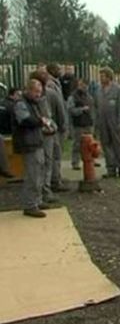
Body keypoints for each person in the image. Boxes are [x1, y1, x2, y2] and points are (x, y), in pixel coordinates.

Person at [12, 79, 52, 218]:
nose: (38, 95)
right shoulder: (21, 103)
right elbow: (24, 120)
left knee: (39, 173)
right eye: (36, 92)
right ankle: (30, 205)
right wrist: (41, 122)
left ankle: (37, 200)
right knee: (32, 175)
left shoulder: (34, 104)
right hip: (28, 143)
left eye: (40, 92)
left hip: (36, 142)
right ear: (28, 90)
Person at [30, 70, 65, 203]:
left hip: (47, 132)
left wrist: (59, 127)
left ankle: (47, 187)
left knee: (48, 161)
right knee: (44, 162)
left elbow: (60, 111)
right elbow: (54, 114)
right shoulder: (44, 96)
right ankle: (44, 190)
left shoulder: (48, 94)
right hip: (43, 133)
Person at [95, 67, 120, 178]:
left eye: (103, 76)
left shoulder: (118, 90)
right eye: (100, 76)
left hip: (115, 122)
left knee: (118, 146)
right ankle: (111, 169)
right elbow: (97, 107)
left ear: (109, 76)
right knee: (106, 146)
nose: (101, 78)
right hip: (103, 123)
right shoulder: (99, 90)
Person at [44, 64, 69, 191]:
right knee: (55, 154)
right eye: (58, 69)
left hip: (56, 123)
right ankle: (54, 181)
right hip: (55, 126)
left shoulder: (56, 83)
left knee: (56, 154)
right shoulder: (50, 85)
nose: (61, 71)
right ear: (52, 70)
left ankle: (56, 178)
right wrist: (62, 123)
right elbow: (56, 106)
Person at [67, 79, 94, 170]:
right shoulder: (73, 97)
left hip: (88, 123)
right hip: (78, 124)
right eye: (82, 85)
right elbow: (70, 110)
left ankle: (90, 161)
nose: (84, 87)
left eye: (86, 86)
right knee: (77, 144)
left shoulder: (89, 96)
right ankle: (75, 162)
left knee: (90, 144)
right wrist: (81, 110)